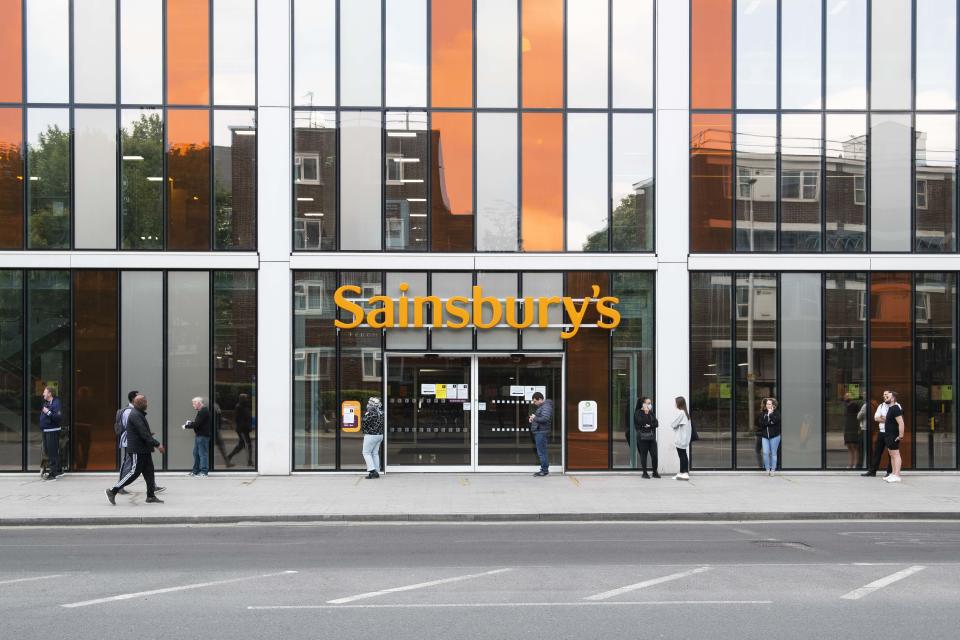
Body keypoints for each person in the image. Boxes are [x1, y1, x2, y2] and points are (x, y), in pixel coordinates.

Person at [105, 394, 165, 504]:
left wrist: (148, 435)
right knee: (133, 473)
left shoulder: (138, 414)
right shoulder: (135, 415)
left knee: (149, 473)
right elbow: (143, 434)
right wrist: (157, 444)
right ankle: (112, 491)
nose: (147, 404)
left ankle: (150, 496)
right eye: (145, 402)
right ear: (140, 404)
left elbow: (141, 432)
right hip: (138, 450)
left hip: (144, 449)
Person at [862, 390, 895, 478]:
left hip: (891, 433)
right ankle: (872, 471)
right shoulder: (881, 406)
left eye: (886, 394)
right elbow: (876, 418)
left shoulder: (896, 406)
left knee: (890, 453)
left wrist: (885, 418)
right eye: (883, 395)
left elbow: (897, 419)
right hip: (881, 432)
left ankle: (890, 472)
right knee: (877, 452)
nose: (884, 396)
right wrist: (888, 419)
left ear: (891, 396)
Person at [113, 390, 138, 495]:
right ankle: (119, 486)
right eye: (138, 397)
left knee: (145, 463)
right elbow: (131, 426)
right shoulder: (128, 411)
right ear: (133, 399)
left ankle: (152, 485)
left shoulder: (134, 410)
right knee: (128, 463)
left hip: (134, 440)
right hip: (129, 441)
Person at [183, 397, 211, 477]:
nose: (193, 405)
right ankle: (196, 471)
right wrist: (191, 423)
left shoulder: (203, 411)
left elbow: (197, 424)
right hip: (199, 435)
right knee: (196, 453)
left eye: (194, 403)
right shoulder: (201, 411)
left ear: (199, 403)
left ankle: (204, 472)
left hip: (203, 436)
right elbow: (198, 423)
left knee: (202, 454)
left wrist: (187, 426)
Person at [40, 387, 63, 480]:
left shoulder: (56, 403)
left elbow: (58, 417)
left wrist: (48, 412)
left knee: (51, 452)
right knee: (48, 451)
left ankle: (53, 473)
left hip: (52, 431)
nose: (43, 394)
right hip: (46, 430)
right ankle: (58, 469)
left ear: (50, 393)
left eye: (44, 392)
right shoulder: (47, 402)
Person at [634, 396, 660, 478]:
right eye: (648, 403)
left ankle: (655, 472)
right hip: (642, 437)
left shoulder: (651, 412)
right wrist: (645, 413)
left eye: (650, 403)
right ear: (643, 404)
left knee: (654, 454)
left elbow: (656, 423)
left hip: (651, 436)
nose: (650, 405)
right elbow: (641, 422)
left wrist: (648, 425)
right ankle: (644, 473)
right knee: (644, 454)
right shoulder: (638, 412)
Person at [528, 391, 553, 477]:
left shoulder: (546, 406)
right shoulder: (543, 406)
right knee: (542, 451)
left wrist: (535, 418)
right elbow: (541, 417)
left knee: (542, 452)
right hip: (540, 432)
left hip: (541, 432)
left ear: (540, 399)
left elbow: (545, 418)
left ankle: (544, 471)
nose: (534, 403)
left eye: (535, 401)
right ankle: (544, 469)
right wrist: (533, 419)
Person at [883, 390, 906, 483]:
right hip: (889, 435)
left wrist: (900, 436)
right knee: (892, 454)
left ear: (893, 398)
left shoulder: (896, 408)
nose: (885, 397)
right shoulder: (891, 408)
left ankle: (897, 475)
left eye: (887, 396)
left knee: (896, 455)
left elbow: (901, 422)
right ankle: (893, 473)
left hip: (893, 435)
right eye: (885, 396)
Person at [225, 394, 254, 467]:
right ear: (242, 399)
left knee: (241, 445)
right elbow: (239, 419)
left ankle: (229, 457)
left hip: (245, 430)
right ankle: (249, 461)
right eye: (246, 398)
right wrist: (243, 429)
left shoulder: (244, 406)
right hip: (242, 430)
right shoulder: (239, 407)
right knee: (248, 445)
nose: (247, 400)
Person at [360, 397, 384, 479]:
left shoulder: (369, 414)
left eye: (369, 404)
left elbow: (363, 424)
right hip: (380, 435)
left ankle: (372, 471)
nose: (368, 405)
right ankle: (376, 471)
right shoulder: (381, 413)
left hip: (371, 435)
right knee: (374, 453)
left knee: (366, 453)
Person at [671, 396, 692, 481]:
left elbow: (673, 424)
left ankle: (685, 473)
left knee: (682, 456)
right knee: (683, 455)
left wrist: (674, 426)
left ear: (678, 403)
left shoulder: (681, 413)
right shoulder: (686, 413)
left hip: (680, 439)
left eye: (675, 402)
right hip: (684, 439)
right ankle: (682, 472)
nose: (674, 404)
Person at [759, 397, 781, 476]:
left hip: (775, 436)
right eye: (767, 404)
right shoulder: (763, 413)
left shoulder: (777, 413)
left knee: (773, 453)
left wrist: (770, 415)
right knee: (765, 453)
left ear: (773, 405)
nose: (768, 405)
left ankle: (773, 470)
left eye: (769, 404)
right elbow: (762, 424)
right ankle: (767, 469)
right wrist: (769, 422)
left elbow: (776, 421)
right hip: (765, 437)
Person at [843, 393, 861, 469]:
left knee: (855, 446)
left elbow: (859, 416)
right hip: (847, 427)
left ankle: (855, 464)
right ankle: (850, 464)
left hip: (853, 427)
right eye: (845, 396)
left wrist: (858, 428)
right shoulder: (845, 405)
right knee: (849, 446)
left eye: (848, 396)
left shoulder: (855, 405)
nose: (846, 397)